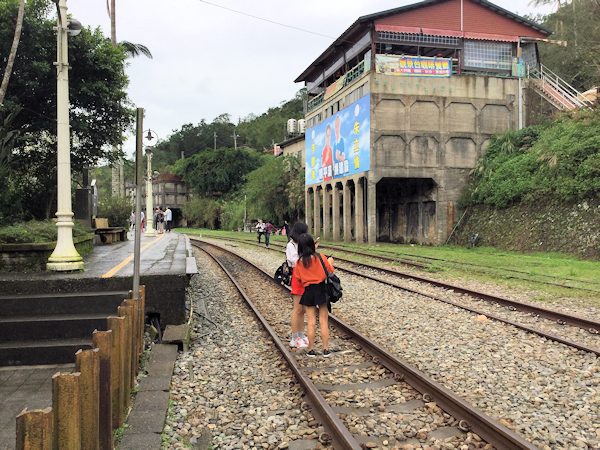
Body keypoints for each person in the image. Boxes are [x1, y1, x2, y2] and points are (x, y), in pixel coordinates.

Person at [292, 233, 335, 358]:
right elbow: (330, 271)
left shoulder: (299, 262)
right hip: (321, 290)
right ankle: (326, 349)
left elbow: (298, 278)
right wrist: (330, 262)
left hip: (308, 291)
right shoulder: (320, 257)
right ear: (312, 245)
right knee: (323, 320)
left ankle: (311, 350)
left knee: (311, 321)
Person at [287, 222, 309, 349]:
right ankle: (294, 337)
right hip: (297, 278)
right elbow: (294, 261)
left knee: (303, 310)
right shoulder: (291, 245)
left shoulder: (301, 244)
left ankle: (301, 334)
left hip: (305, 278)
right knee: (297, 309)